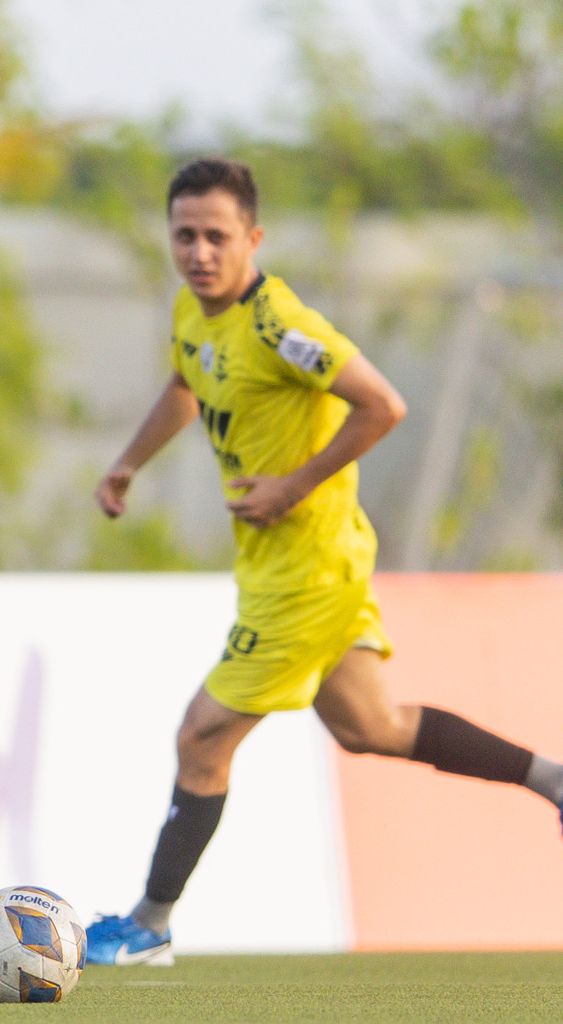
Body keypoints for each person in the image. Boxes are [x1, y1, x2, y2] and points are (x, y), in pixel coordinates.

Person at [87, 158, 563, 966]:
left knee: (203, 738)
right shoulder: (193, 313)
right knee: (371, 727)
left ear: (254, 239)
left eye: (216, 236)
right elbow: (184, 380)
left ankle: (150, 924)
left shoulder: (283, 328)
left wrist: (292, 487)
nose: (199, 252)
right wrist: (129, 462)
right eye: (185, 235)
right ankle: (553, 779)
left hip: (310, 571)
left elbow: (384, 404)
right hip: (283, 568)